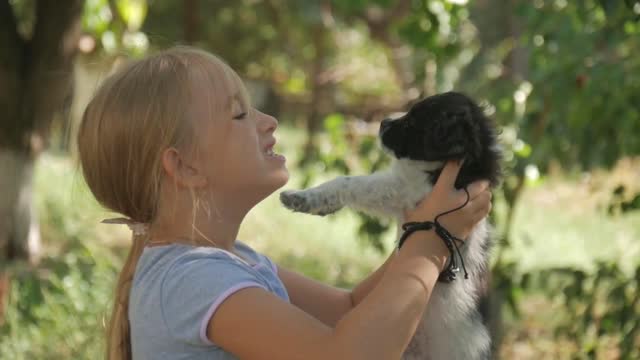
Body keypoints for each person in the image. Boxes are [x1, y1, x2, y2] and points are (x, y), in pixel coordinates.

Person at [76, 46, 492, 360]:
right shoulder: (190, 281)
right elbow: (347, 355)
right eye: (239, 114)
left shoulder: (235, 262)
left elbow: (348, 309)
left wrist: (423, 228)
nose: (268, 120)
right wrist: (431, 238)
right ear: (183, 167)